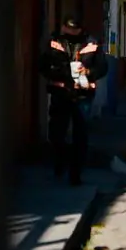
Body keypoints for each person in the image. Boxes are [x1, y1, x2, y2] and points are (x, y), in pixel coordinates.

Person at [39, 14, 108, 186]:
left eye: (74, 30)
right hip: (60, 92)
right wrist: (60, 71)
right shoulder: (54, 42)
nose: (70, 33)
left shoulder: (91, 43)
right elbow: (43, 66)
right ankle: (59, 163)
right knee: (56, 133)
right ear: (63, 28)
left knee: (81, 135)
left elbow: (102, 67)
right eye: (68, 30)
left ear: (80, 29)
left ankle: (75, 174)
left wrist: (88, 72)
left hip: (82, 95)